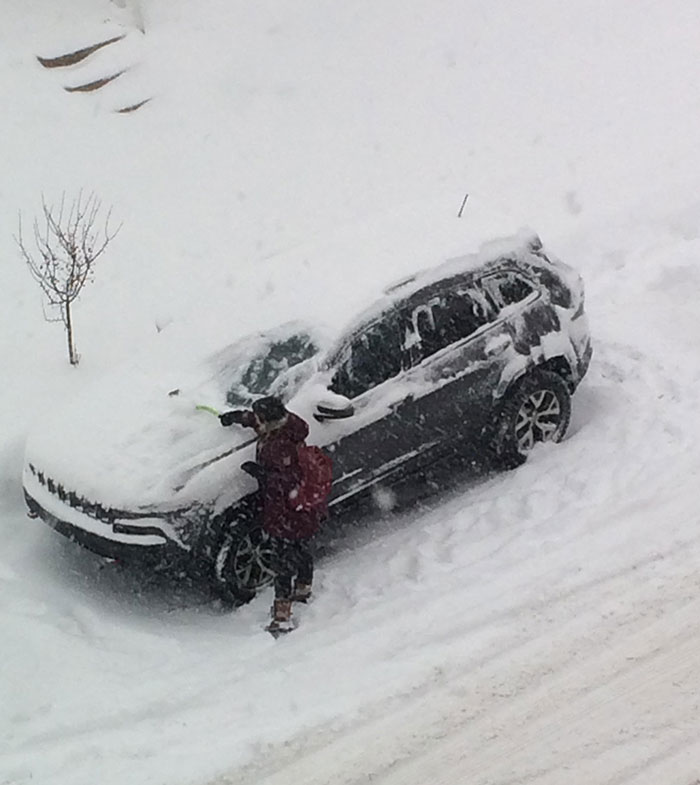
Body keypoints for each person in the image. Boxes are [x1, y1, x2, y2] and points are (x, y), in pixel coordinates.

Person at [219, 396, 322, 633]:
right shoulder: (285, 424)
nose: (257, 420)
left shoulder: (281, 445)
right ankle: (304, 588)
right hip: (299, 508)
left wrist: (261, 474)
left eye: (259, 416)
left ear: (269, 419)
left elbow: (287, 481)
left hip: (287, 510)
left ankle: (281, 617)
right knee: (299, 548)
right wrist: (238, 417)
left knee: (282, 561)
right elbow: (257, 422)